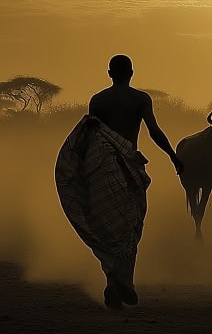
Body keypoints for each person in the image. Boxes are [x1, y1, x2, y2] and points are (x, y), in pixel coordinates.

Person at [54, 55, 183, 310]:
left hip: (100, 171)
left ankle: (115, 281)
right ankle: (123, 282)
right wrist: (173, 155)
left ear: (109, 73)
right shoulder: (140, 99)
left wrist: (78, 172)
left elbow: (88, 137)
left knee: (106, 225)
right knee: (130, 225)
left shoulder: (98, 100)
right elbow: (153, 131)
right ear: (132, 73)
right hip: (127, 169)